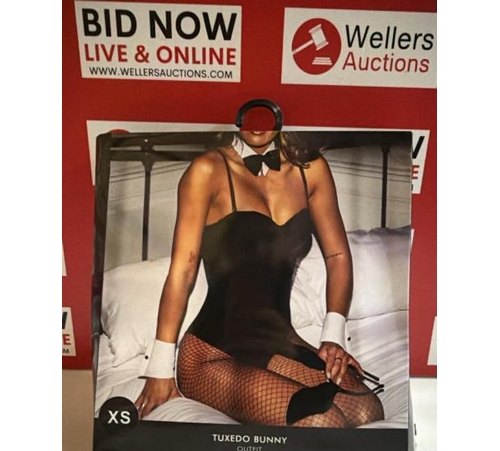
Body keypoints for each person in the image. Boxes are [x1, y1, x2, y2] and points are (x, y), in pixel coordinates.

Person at [135, 130, 384, 427]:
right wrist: (160, 369)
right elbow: (182, 271)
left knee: (367, 410)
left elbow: (337, 255)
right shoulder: (208, 170)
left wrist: (332, 337)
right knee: (324, 422)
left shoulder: (311, 169)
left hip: (278, 341)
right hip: (213, 353)